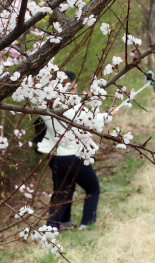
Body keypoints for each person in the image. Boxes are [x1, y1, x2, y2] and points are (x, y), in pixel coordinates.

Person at [38, 71, 116, 231]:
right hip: (75, 157)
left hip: (57, 159)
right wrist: (109, 115)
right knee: (93, 189)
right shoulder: (71, 107)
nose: (76, 89)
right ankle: (86, 225)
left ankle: (52, 228)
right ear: (66, 86)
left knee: (61, 195)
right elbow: (91, 121)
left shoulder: (45, 105)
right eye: (74, 86)